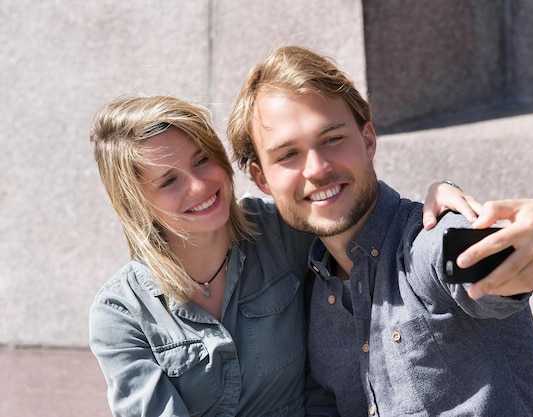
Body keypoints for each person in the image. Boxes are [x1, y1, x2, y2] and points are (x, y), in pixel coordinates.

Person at [227, 45, 533, 416]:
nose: (315, 168)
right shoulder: (315, 293)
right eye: (288, 155)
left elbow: (493, 266)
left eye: (332, 139)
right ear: (261, 178)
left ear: (367, 140)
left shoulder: (428, 242)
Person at [87, 95, 483, 416]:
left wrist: (439, 201)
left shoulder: (280, 232)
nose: (199, 185)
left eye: (202, 160)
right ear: (138, 203)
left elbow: (369, 220)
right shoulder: (121, 314)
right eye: (170, 180)